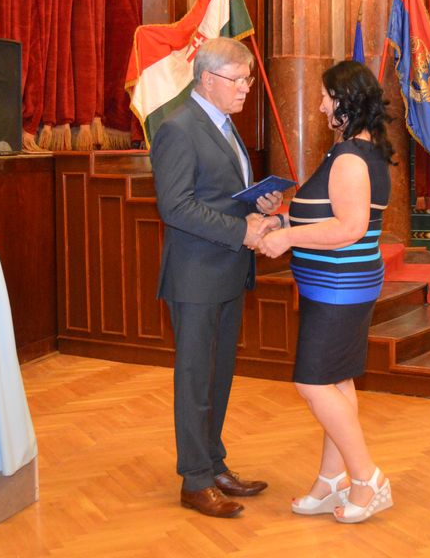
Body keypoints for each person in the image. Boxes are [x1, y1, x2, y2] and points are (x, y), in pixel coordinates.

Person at [256, 60, 394, 524]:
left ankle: (367, 478)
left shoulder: (352, 157)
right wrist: (282, 218)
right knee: (336, 381)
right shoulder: (354, 150)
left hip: (340, 285)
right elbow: (325, 213)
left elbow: (349, 227)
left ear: (345, 103)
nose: (319, 106)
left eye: (325, 98)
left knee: (312, 382)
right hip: (337, 284)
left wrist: (286, 237)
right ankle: (332, 479)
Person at [150, 37, 282, 519]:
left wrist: (258, 203)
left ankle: (214, 463)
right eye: (239, 79)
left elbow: (220, 194)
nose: (246, 88)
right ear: (208, 79)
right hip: (196, 276)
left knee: (218, 374)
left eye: (247, 79)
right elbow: (176, 207)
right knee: (194, 379)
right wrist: (241, 231)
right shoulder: (178, 129)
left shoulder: (224, 125)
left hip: (227, 270)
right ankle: (195, 480)